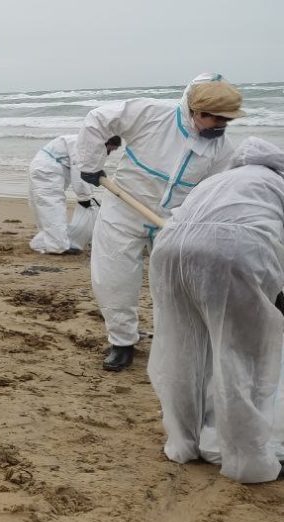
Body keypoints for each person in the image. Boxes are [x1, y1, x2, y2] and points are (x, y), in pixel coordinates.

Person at [74, 74, 242, 371]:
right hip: (124, 206)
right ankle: (122, 341)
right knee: (114, 278)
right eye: (215, 119)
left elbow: (213, 194)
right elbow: (98, 119)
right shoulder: (152, 114)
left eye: (226, 121)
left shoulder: (223, 150)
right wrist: (90, 164)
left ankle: (174, 344)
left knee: (175, 286)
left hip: (174, 220)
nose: (221, 126)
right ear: (195, 112)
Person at [147, 137, 284, 484]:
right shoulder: (277, 182)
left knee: (184, 350)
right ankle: (248, 461)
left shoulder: (219, 180)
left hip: (169, 251)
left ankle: (185, 442)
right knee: (242, 357)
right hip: (233, 252)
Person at [28, 134, 121, 254]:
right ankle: (58, 246)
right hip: (47, 170)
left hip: (45, 167)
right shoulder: (85, 145)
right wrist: (85, 197)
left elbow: (84, 168)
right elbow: (79, 169)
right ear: (106, 143)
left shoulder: (86, 142)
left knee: (45, 207)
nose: (109, 153)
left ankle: (51, 241)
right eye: (111, 149)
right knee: (52, 207)